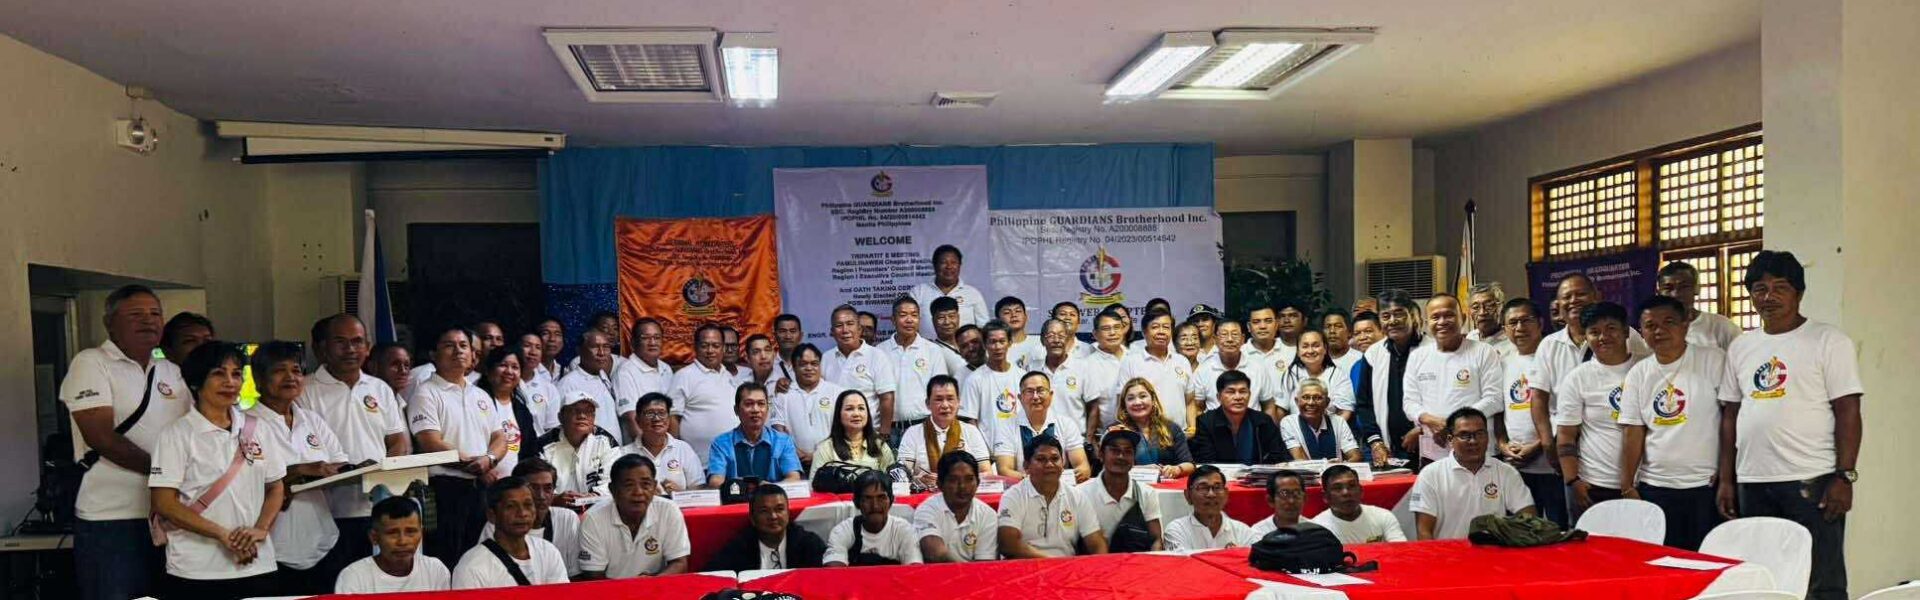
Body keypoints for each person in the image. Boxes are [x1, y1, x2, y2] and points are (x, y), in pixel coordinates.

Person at [1719, 251, 1861, 600]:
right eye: (1760, 289)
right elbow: (1730, 416)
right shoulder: (1741, 347)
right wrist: (1727, 479)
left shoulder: (1828, 341)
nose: (1769, 297)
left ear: (1799, 293)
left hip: (1812, 479)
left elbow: (1848, 411)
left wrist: (1844, 476)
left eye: (1780, 288)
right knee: (1763, 577)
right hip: (1753, 480)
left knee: (1822, 580)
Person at [61, 285, 190, 600]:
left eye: (155, 313)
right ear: (110, 323)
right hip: (112, 518)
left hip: (168, 516)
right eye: (136, 314)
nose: (148, 320)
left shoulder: (172, 371)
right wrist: (165, 475)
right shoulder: (91, 362)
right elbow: (102, 437)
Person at [148, 342, 286, 599]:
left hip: (257, 563)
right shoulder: (177, 434)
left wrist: (261, 529)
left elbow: (276, 487)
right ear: (196, 382)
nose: (230, 382)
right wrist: (223, 535)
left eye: (236, 374)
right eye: (218, 374)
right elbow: (164, 503)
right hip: (196, 569)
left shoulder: (259, 428)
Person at [1616, 295, 1730, 551]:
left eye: (1668, 322)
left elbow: (1729, 421)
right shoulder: (1639, 373)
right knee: (1660, 559)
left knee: (1704, 559)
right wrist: (1627, 485)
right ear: (1641, 332)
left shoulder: (1713, 360)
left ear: (1685, 325)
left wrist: (1727, 478)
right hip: (1655, 486)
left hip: (1705, 485)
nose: (1659, 331)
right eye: (1650, 325)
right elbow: (1633, 431)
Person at [300, 314, 410, 579]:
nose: (350, 349)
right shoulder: (305, 390)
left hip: (377, 508)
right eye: (341, 342)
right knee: (336, 583)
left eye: (357, 341)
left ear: (368, 347)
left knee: (375, 584)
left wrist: (384, 472)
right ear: (323, 347)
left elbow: (397, 440)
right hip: (327, 512)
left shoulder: (379, 388)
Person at [246, 341, 347, 594]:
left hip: (323, 542)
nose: (290, 377)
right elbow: (247, 481)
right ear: (258, 379)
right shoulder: (245, 424)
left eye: (296, 370)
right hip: (272, 549)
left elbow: (338, 463)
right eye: (279, 370)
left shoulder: (311, 419)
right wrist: (299, 470)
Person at [1527, 273, 1652, 470]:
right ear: (1558, 305)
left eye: (1580, 294)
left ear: (1597, 296)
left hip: (1615, 444)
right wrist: (1547, 443)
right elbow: (1538, 398)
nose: (1573, 301)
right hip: (1566, 443)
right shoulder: (1549, 345)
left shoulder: (1627, 336)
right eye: (1567, 297)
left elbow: (1648, 381)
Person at [408, 327, 508, 563]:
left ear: (473, 355)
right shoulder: (425, 393)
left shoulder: (480, 395)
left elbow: (500, 438)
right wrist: (474, 464)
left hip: (479, 489)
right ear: (433, 354)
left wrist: (489, 460)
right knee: (447, 558)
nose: (458, 351)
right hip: (444, 489)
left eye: (463, 346)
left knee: (478, 558)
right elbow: (430, 441)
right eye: (449, 345)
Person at [1552, 302, 1646, 518]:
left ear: (1626, 331)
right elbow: (1566, 435)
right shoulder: (1578, 378)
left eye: (1611, 328)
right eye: (1594, 332)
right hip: (1595, 483)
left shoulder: (1646, 368)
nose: (1603, 337)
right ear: (1586, 337)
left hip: (1645, 482)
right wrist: (1573, 480)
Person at [1402, 294, 1505, 464]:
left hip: (1477, 452)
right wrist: (1429, 420)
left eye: (1449, 315)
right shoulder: (1417, 356)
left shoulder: (1484, 352)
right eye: (1435, 317)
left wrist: (1453, 424)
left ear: (1462, 318)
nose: (1442, 321)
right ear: (1426, 322)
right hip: (1432, 453)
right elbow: (1409, 403)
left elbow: (1494, 399)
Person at [1490, 299, 1566, 526]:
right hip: (1515, 465)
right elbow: (1499, 409)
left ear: (1540, 323)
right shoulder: (1502, 362)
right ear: (1504, 329)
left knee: (1557, 529)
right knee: (1520, 531)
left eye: (1526, 320)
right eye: (1512, 323)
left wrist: (1538, 446)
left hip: (1552, 464)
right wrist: (1502, 444)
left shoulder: (1555, 358)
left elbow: (1565, 411)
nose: (1519, 328)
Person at [1410, 408, 1536, 540]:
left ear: (1488, 437)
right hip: (1447, 552)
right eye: (1464, 435)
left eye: (1480, 434)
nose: (1473, 441)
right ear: (1450, 439)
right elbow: (1424, 532)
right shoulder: (1430, 475)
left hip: (1493, 551)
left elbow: (1529, 518)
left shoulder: (1506, 472)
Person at [578, 455, 691, 579]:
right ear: (612, 489)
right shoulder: (593, 519)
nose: (638, 492)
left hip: (656, 586)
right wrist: (632, 587)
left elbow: (679, 563)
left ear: (654, 486)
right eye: (629, 485)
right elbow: (594, 577)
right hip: (610, 589)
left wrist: (653, 583)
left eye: (645, 484)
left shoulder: (668, 510)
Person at [997, 435, 1109, 558]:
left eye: (1055, 459)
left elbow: (1097, 543)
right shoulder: (1013, 496)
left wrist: (1102, 565)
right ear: (1026, 465)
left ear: (1063, 463)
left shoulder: (1077, 497)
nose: (1049, 464)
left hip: (1067, 567)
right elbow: (1008, 544)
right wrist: (1051, 562)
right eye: (1041, 459)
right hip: (1025, 566)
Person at [1356, 290, 1433, 464]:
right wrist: (1375, 442)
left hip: (1431, 444)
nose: (1392, 321)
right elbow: (1364, 404)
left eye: (1399, 314)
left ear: (1413, 315)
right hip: (1388, 450)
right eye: (1386, 316)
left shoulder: (1434, 350)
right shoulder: (1373, 354)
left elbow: (1445, 401)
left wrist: (1422, 430)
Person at [451, 477, 570, 588]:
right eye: (511, 506)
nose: (522, 513)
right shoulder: (471, 567)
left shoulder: (548, 552)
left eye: (528, 505)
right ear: (492, 515)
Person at [480, 459, 584, 577]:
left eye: (548, 488)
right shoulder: (497, 524)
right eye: (533, 488)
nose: (541, 496)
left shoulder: (567, 519)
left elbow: (576, 575)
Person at [333, 497, 451, 594]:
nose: (402, 541)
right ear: (374, 537)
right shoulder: (354, 576)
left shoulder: (435, 570)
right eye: (392, 533)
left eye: (410, 532)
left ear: (421, 533)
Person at [878, 295, 954, 443]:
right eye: (903, 315)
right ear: (893, 320)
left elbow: (940, 391)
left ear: (919, 319)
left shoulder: (932, 350)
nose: (909, 320)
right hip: (889, 430)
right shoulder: (880, 351)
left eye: (914, 315)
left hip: (924, 427)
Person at [898, 375, 995, 488]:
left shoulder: (971, 432)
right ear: (928, 403)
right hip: (924, 495)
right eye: (939, 399)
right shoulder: (912, 433)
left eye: (950, 399)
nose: (945, 405)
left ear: (958, 402)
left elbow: (986, 473)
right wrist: (918, 481)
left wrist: (961, 480)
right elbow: (900, 475)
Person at [994, 371, 1091, 481]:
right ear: (1020, 398)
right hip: (1022, 488)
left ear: (1051, 395)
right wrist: (1039, 481)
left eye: (1040, 390)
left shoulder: (1066, 424)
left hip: (1060, 487)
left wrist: (1053, 481)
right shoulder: (1006, 427)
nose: (1035, 397)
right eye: (1029, 391)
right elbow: (1004, 470)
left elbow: (1083, 468)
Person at [1077, 429, 1163, 552]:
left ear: (1134, 458)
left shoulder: (1146, 493)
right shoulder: (1080, 494)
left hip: (1135, 562)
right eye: (1115, 451)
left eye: (1127, 451)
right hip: (1093, 562)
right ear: (1101, 454)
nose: (1121, 456)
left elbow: (1156, 539)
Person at [821, 304, 899, 437]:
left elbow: (886, 398)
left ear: (859, 329)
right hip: (835, 436)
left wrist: (884, 434)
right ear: (832, 331)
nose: (845, 330)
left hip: (869, 435)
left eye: (850, 324)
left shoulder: (877, 356)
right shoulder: (826, 358)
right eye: (839, 325)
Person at [705, 382, 805, 486]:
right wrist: (745, 490)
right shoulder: (721, 443)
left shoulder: (783, 441)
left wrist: (767, 489)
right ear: (736, 410)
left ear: (768, 408)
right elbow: (715, 482)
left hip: (772, 495)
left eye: (761, 404)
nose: (756, 410)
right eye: (748, 404)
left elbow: (794, 478)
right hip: (736, 496)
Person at [669, 324, 743, 464]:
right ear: (695, 347)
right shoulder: (684, 376)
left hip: (732, 461)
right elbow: (673, 417)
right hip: (698, 463)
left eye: (716, 345)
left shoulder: (728, 376)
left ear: (723, 348)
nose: (710, 350)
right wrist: (674, 456)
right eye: (704, 346)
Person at [960, 321, 1026, 477]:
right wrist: (982, 457)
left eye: (1002, 341)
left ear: (1010, 342)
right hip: (990, 458)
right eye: (992, 342)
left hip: (1022, 452)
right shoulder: (974, 379)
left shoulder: (1021, 376)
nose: (997, 347)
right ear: (985, 344)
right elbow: (970, 422)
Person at [710, 484, 829, 570]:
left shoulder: (809, 543)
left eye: (779, 509)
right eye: (764, 511)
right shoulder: (738, 548)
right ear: (752, 518)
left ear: (788, 513)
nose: (773, 516)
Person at [1116, 311, 1197, 434]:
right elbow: (1122, 405)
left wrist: (1192, 427)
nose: (1161, 332)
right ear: (1144, 332)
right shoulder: (1131, 362)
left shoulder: (1182, 361)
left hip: (1180, 435)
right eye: (1155, 327)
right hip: (1144, 436)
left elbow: (1190, 401)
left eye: (1166, 327)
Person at [537, 391, 624, 503]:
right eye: (575, 411)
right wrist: (554, 499)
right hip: (554, 507)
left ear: (594, 418)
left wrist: (593, 497)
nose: (582, 416)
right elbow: (535, 484)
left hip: (596, 506)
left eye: (588, 412)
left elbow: (614, 480)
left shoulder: (607, 442)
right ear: (560, 417)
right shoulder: (543, 444)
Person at [769, 343, 846, 467]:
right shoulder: (783, 394)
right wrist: (794, 453)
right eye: (803, 364)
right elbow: (778, 430)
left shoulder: (837, 393)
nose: (809, 368)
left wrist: (820, 455)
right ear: (794, 367)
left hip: (831, 462)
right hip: (794, 462)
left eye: (814, 363)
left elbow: (844, 430)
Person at [1026, 318, 1102, 443]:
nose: (1056, 340)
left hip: (1076, 442)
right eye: (1051, 336)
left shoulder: (1083, 367)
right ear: (1043, 340)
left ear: (1067, 339)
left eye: (1061, 336)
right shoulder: (1032, 368)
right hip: (1040, 442)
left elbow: (1094, 406)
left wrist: (1088, 440)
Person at [915, 451, 1000, 562]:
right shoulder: (927, 510)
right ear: (940, 484)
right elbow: (935, 553)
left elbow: (985, 563)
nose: (962, 486)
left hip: (975, 573)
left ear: (978, 483)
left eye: (969, 479)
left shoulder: (987, 515)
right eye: (953, 480)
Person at [825, 471, 923, 566]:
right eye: (867, 499)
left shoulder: (904, 531)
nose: (875, 506)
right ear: (857, 502)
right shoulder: (842, 531)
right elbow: (833, 572)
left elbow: (915, 571)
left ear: (891, 500)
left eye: (881, 498)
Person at [1190, 371, 1286, 465]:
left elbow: (1279, 457)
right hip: (1219, 474)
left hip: (1258, 474)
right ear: (1219, 397)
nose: (1238, 397)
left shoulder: (1263, 421)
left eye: (1243, 391)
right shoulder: (1205, 422)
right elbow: (1205, 461)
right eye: (1231, 392)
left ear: (1249, 395)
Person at [1110, 378, 1195, 479]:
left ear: (1153, 400)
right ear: (1124, 405)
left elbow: (1190, 464)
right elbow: (1110, 467)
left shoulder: (1171, 428)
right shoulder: (1116, 431)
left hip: (1166, 486)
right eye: (1131, 398)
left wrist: (1177, 469)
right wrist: (1141, 471)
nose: (1137, 402)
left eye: (1143, 396)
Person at [623, 392, 706, 493]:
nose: (656, 419)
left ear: (669, 419)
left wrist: (680, 494)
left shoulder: (683, 449)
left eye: (662, 413)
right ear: (638, 420)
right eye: (650, 413)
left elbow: (699, 488)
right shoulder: (625, 454)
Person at [558, 330, 628, 444]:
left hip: (612, 450)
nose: (601, 352)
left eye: (606, 347)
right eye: (595, 347)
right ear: (580, 350)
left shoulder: (602, 376)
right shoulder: (568, 384)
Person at [1165, 465, 1257, 551]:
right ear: (1188, 495)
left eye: (1217, 487)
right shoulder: (1177, 531)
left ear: (1226, 494)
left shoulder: (1243, 532)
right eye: (1203, 488)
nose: (1211, 494)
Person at [1192, 320, 1274, 416]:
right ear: (1215, 339)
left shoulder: (1258, 368)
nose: (1230, 339)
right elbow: (1197, 407)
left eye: (1235, 335)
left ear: (1243, 339)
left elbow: (1268, 405)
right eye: (1224, 335)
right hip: (1215, 424)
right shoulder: (1203, 370)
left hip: (1252, 424)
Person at [1655, 261, 1741, 350]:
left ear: (1697, 289)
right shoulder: (1653, 332)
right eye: (1668, 288)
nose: (1676, 294)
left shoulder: (1721, 327)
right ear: (1659, 293)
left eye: (1684, 287)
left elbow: (1742, 356)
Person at [1310, 465, 1407, 543]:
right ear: (1325, 497)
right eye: (1337, 488)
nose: (1346, 492)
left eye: (1351, 486)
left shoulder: (1383, 516)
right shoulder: (1317, 529)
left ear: (1361, 490)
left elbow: (1401, 552)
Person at [910, 244, 991, 337]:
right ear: (935, 266)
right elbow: (910, 325)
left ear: (959, 265)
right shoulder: (918, 292)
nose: (949, 266)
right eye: (943, 262)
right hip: (927, 346)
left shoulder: (972, 293)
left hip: (964, 346)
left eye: (953, 262)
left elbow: (984, 327)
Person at [1275, 329, 1355, 419]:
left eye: (1316, 346)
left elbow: (1345, 411)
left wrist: (1332, 428)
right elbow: (1281, 410)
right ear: (1298, 351)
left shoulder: (1338, 375)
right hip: (1295, 427)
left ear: (1325, 349)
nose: (1310, 351)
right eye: (1305, 346)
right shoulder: (1291, 374)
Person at [811, 390, 897, 473]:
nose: (856, 414)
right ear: (839, 414)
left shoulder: (879, 445)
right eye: (849, 409)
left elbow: (893, 479)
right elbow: (815, 482)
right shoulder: (826, 448)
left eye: (861, 408)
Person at [613, 318, 672, 438]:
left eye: (657, 337)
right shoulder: (625, 372)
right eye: (645, 338)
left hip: (667, 443)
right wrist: (648, 447)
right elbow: (631, 418)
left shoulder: (666, 369)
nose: (652, 342)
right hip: (642, 446)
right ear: (633, 343)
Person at [1280, 379, 1362, 462]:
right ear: (1297, 401)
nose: (1311, 403)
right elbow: (1300, 459)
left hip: (1335, 470)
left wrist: (1342, 465)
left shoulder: (1338, 422)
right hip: (1305, 471)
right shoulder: (1289, 423)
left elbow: (1355, 455)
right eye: (1305, 397)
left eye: (1317, 398)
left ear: (1327, 402)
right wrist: (1327, 466)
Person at [477, 347, 527, 477]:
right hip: (481, 480)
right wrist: (481, 471)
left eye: (515, 367)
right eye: (503, 365)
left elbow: (529, 451)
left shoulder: (522, 410)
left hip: (514, 483)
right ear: (488, 370)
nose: (509, 371)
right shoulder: (476, 402)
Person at [1081, 309, 1131, 430]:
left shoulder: (1136, 356)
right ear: (1095, 334)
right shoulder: (1087, 365)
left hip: (1140, 431)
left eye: (1117, 327)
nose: (1112, 333)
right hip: (1104, 434)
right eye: (1106, 329)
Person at [517, 333, 560, 439]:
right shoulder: (507, 383)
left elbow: (551, 428)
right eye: (527, 345)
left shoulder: (549, 389)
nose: (533, 352)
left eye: (538, 347)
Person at [1249, 471, 1308, 536]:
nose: (1291, 501)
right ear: (1271, 500)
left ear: (1304, 498)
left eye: (1297, 494)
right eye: (1284, 494)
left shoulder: (1313, 530)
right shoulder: (1259, 533)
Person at [1466, 282, 1516, 357]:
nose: (1482, 312)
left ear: (1500, 307)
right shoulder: (1471, 337)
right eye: (1476, 307)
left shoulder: (1512, 341)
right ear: (1469, 312)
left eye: (1489, 306)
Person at [772, 313, 805, 382]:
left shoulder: (811, 364)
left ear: (801, 336)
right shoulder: (767, 365)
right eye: (782, 331)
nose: (788, 336)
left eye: (793, 331)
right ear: (774, 336)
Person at [533, 316, 566, 383]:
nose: (552, 339)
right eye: (545, 333)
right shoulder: (529, 372)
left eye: (557, 334)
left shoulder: (563, 372)